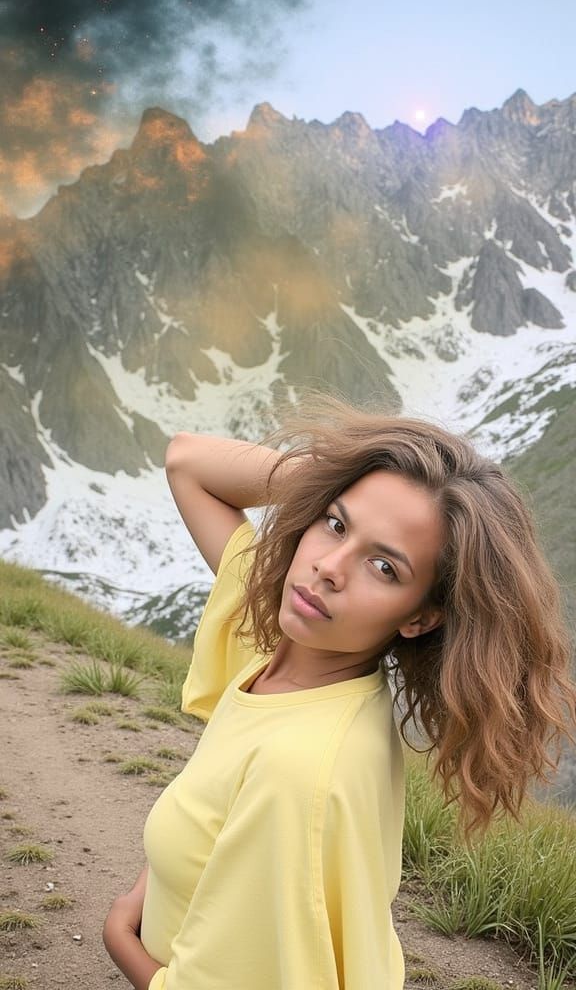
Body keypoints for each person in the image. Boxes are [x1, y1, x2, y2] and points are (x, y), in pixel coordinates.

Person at [103, 399, 576, 990]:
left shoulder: (300, 768)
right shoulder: (279, 645)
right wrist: (349, 487)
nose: (329, 567)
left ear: (420, 618)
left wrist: (120, 936)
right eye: (334, 524)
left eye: (384, 567)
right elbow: (188, 462)